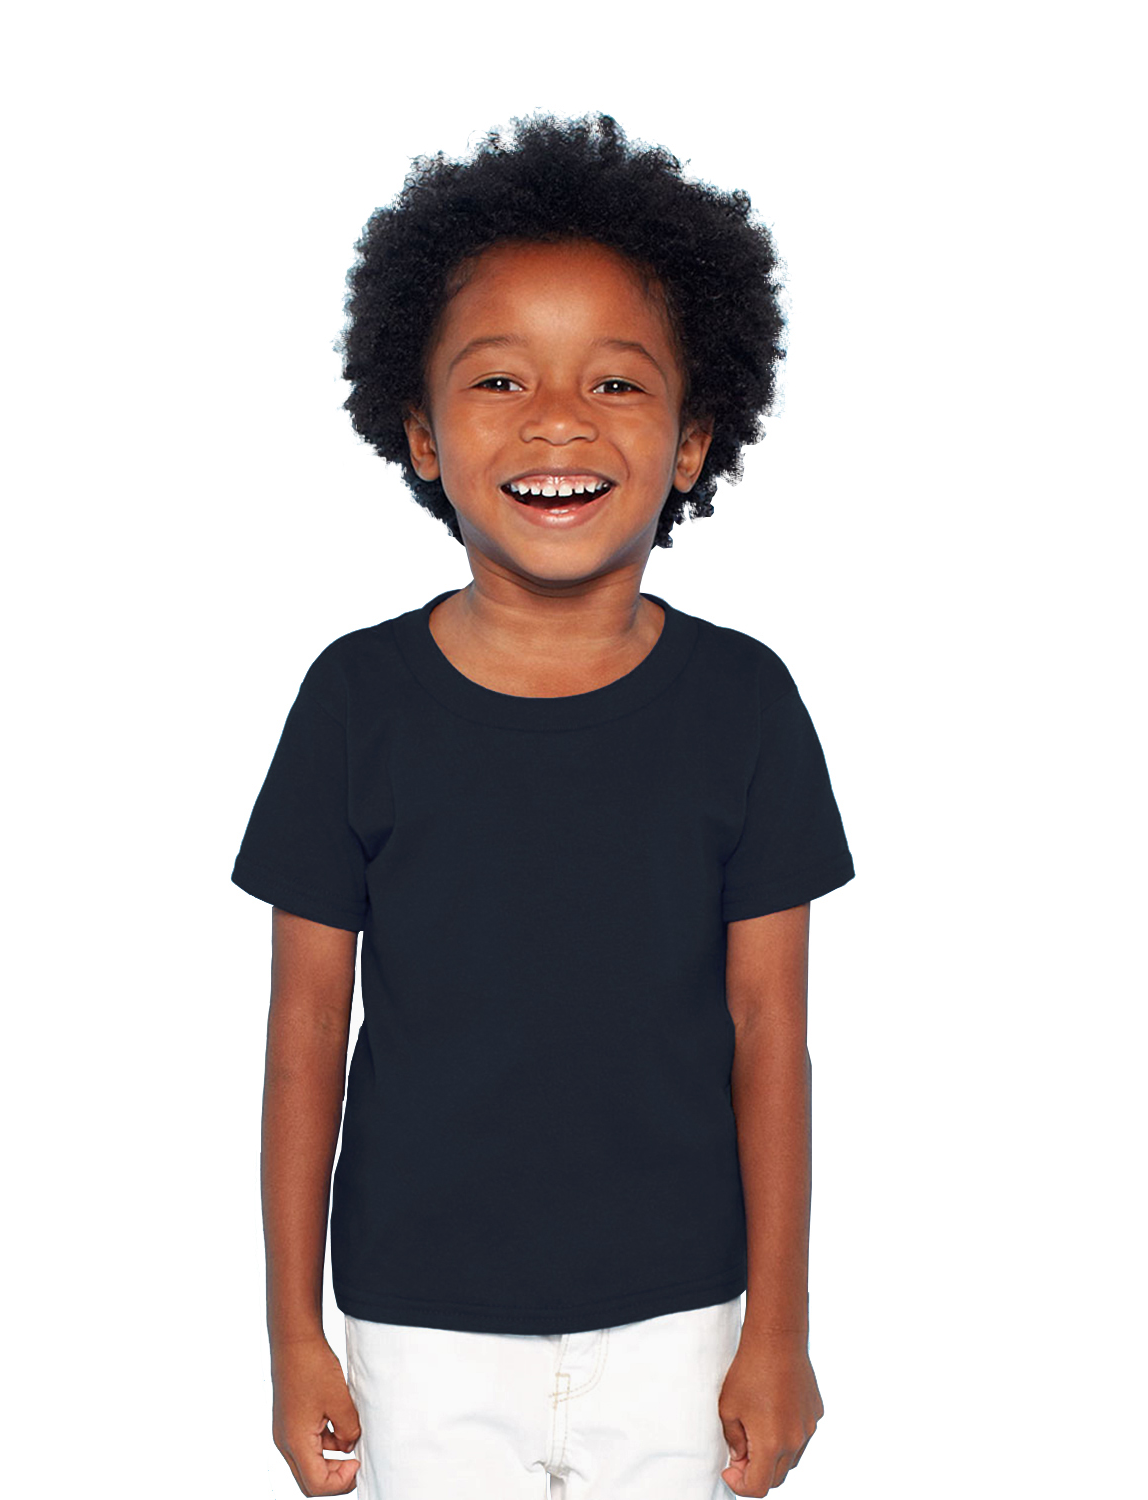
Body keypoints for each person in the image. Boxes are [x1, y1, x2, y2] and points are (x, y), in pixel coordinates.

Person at [231, 111, 855, 1500]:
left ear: (694, 439)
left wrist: (780, 1331)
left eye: (617, 383)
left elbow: (774, 1035)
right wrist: (291, 1336)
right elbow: (303, 1037)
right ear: (420, 431)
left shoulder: (745, 704)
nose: (558, 419)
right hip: (417, 1328)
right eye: (501, 378)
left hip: (685, 1324)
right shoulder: (354, 701)